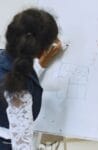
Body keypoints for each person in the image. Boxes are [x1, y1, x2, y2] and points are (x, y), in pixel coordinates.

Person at [0, 8, 62, 150]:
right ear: (42, 50)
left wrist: (40, 66)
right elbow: (22, 145)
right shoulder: (20, 91)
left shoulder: (5, 61)